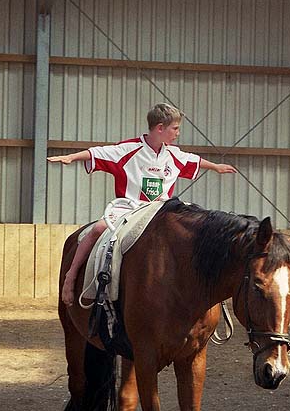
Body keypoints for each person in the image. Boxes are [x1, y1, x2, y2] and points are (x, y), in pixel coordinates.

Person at [47, 103, 237, 306]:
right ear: (160, 128)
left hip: (161, 211)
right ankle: (71, 277)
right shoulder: (128, 150)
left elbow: (196, 161)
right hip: (129, 207)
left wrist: (216, 167)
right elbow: (97, 153)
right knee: (99, 229)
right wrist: (71, 157)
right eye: (175, 128)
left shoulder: (173, 154)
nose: (178, 133)